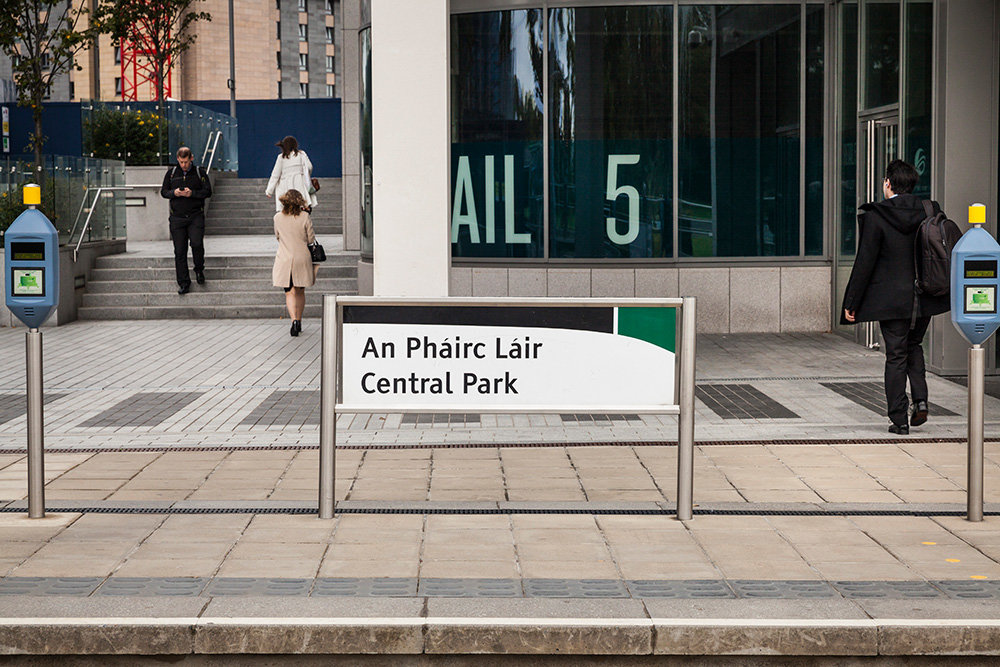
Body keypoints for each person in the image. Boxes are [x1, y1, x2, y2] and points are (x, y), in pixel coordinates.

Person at [841, 159, 950, 435]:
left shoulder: (877, 215)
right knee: (914, 345)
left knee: (896, 355)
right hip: (925, 296)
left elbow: (864, 263)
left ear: (888, 183)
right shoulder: (930, 210)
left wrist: (851, 303)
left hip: (891, 300)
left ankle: (899, 420)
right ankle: (921, 400)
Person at [160, 146, 212, 295]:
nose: (184, 165)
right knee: (180, 251)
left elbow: (208, 191)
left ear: (191, 159)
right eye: (181, 162)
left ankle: (199, 269)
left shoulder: (199, 172)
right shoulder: (171, 174)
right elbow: (164, 192)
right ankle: (183, 283)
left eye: (186, 162)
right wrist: (174, 193)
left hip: (195, 215)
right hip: (177, 217)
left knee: (196, 243)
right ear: (177, 159)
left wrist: (192, 193)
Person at [273, 189, 317, 337]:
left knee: (289, 292)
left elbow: (277, 236)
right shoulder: (305, 217)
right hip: (302, 258)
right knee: (300, 291)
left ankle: (294, 321)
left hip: (284, 259)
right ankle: (299, 319)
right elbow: (311, 239)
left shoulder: (277, 217)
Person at [265, 135, 318, 213]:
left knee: (288, 209)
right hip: (300, 184)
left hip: (285, 187)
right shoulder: (302, 154)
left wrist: (269, 191)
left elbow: (275, 175)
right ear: (295, 145)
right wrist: (305, 174)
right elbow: (309, 167)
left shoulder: (281, 157)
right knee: (302, 206)